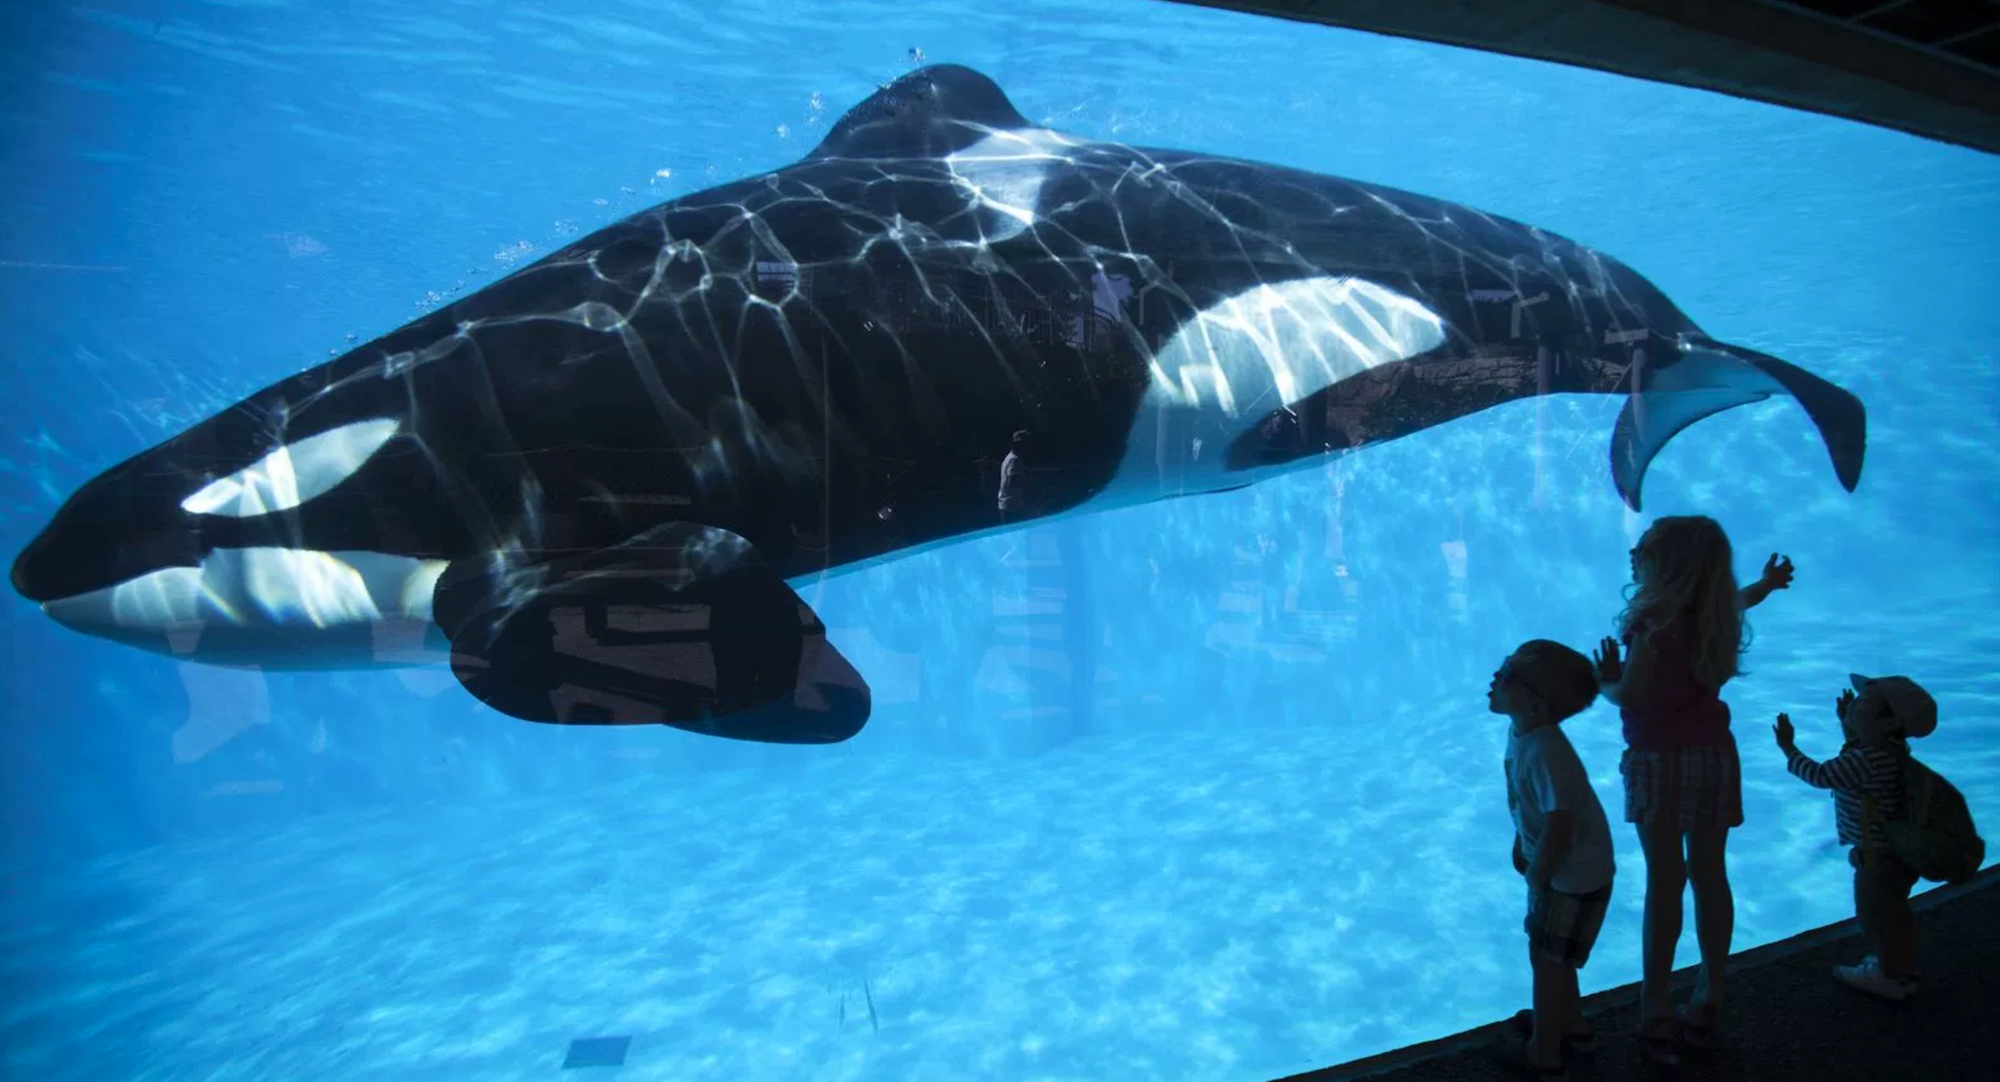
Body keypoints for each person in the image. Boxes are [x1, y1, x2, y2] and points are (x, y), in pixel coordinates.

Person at [1590, 517, 1793, 1062]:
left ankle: (1655, 1011)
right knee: (1709, 875)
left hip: (1660, 762)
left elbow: (1632, 698)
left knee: (1665, 882)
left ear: (1667, 567)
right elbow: (1740, 598)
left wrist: (1607, 679)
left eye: (1646, 551)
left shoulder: (1654, 626)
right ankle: (1710, 995)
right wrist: (1767, 585)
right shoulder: (1712, 612)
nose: (1634, 555)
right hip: (1713, 757)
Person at [1491, 639, 1615, 1081]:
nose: (1495, 675)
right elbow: (1535, 810)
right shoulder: (1524, 731)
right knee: (1554, 956)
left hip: (1570, 878)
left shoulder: (1547, 752)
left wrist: (1538, 874)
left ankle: (1545, 1055)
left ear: (1536, 704)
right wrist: (1523, 846)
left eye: (1507, 673)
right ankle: (1573, 1027)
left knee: (1546, 962)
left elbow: (1560, 823)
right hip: (1567, 871)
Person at [1774, 673, 1938, 1001]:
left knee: (1875, 916)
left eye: (1865, 702)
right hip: (1897, 855)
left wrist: (1789, 749)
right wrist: (1849, 725)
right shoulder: (1891, 750)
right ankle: (1900, 968)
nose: (1855, 703)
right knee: (1895, 914)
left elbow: (1822, 775)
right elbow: (1859, 752)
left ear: (1890, 722)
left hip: (1876, 859)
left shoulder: (1865, 760)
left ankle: (1888, 978)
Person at [997, 429, 1031, 521]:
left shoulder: (1008, 458)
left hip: (1006, 504)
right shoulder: (1015, 460)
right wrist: (1029, 483)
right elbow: (1013, 481)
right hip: (1012, 506)